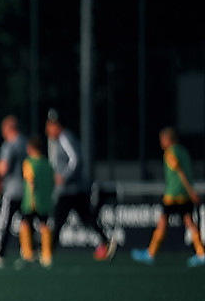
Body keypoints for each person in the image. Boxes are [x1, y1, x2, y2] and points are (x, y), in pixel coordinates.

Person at [45, 109, 115, 261]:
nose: (48, 129)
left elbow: (76, 160)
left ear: (57, 125)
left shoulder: (64, 138)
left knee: (58, 219)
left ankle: (47, 251)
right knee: (86, 218)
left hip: (71, 190)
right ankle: (106, 242)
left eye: (50, 125)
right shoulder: (56, 140)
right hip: (73, 190)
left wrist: (64, 176)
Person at [131, 127, 204, 267]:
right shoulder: (184, 151)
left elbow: (180, 172)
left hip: (173, 195)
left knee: (163, 222)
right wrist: (190, 192)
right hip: (185, 195)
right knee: (189, 221)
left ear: (168, 139)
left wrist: (191, 191)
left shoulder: (170, 152)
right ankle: (201, 253)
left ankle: (150, 253)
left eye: (162, 140)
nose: (161, 143)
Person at [0, 114, 26, 266]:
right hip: (28, 190)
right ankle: (28, 252)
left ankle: (0, 252)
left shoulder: (9, 145)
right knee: (27, 222)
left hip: (12, 190)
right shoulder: (26, 143)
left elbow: (3, 168)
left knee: (5, 221)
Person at [18, 137, 55, 268]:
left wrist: (31, 199)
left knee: (24, 225)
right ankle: (46, 256)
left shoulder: (29, 163)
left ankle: (28, 254)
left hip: (32, 201)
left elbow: (31, 181)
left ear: (31, 148)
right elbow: (52, 182)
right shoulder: (47, 163)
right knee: (44, 225)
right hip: (45, 200)